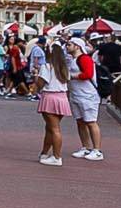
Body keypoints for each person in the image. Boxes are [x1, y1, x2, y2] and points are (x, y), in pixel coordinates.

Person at [34, 35, 71, 164]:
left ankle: (57, 157)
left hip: (50, 97)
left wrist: (36, 79)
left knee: (54, 128)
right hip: (62, 97)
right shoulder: (64, 68)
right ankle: (45, 153)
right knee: (51, 127)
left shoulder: (47, 67)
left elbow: (40, 83)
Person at [66, 36, 104, 160]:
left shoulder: (84, 58)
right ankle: (86, 147)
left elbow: (88, 74)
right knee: (80, 121)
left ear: (77, 46)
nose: (67, 46)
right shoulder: (73, 59)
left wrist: (71, 76)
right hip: (76, 93)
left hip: (87, 94)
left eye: (69, 44)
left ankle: (97, 150)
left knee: (90, 121)